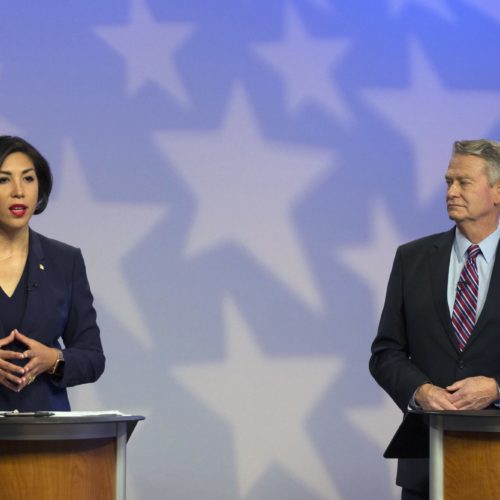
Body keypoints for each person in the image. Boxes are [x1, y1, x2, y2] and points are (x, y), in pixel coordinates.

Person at [369, 139, 500, 500]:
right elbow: (386, 353)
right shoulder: (412, 259)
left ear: (498, 191)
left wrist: (497, 388)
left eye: (464, 182)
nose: (451, 192)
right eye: (448, 182)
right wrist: (420, 392)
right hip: (427, 467)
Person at [0, 135, 105, 411]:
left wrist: (54, 359)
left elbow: (93, 357)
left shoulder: (65, 261)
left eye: (28, 179)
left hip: (47, 440)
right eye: (4, 179)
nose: (18, 191)